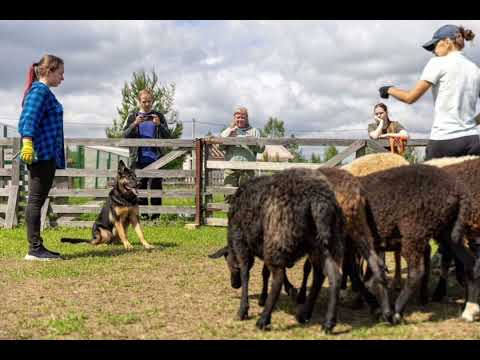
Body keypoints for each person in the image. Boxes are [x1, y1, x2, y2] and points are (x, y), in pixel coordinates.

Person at [378, 24, 480, 161]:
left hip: (444, 141)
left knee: (428, 182)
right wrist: (470, 123)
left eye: (435, 46)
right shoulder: (475, 69)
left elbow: (410, 98)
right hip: (472, 141)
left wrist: (389, 89)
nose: (433, 52)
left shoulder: (437, 63)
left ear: (448, 42)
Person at [18, 54, 65, 261]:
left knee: (37, 200)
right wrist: (27, 141)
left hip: (47, 154)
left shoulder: (44, 92)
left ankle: (37, 246)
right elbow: (29, 117)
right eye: (61, 73)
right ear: (50, 70)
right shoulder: (40, 91)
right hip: (41, 154)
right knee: (35, 201)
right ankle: (35, 248)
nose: (62, 78)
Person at [122, 89, 171, 220]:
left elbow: (168, 135)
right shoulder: (132, 116)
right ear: (139, 101)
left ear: (153, 101)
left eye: (149, 101)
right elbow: (124, 135)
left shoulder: (159, 115)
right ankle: (142, 215)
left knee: (156, 187)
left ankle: (156, 216)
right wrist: (134, 124)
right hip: (138, 158)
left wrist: (159, 125)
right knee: (139, 187)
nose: (147, 104)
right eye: (144, 101)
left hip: (156, 159)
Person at [219, 107, 264, 187]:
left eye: (242, 117)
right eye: (238, 117)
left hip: (247, 170)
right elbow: (220, 148)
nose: (240, 119)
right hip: (231, 170)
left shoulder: (254, 131)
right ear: (234, 118)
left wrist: (250, 141)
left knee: (247, 195)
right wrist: (228, 137)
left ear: (246, 118)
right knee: (229, 195)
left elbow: (261, 149)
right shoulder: (228, 131)